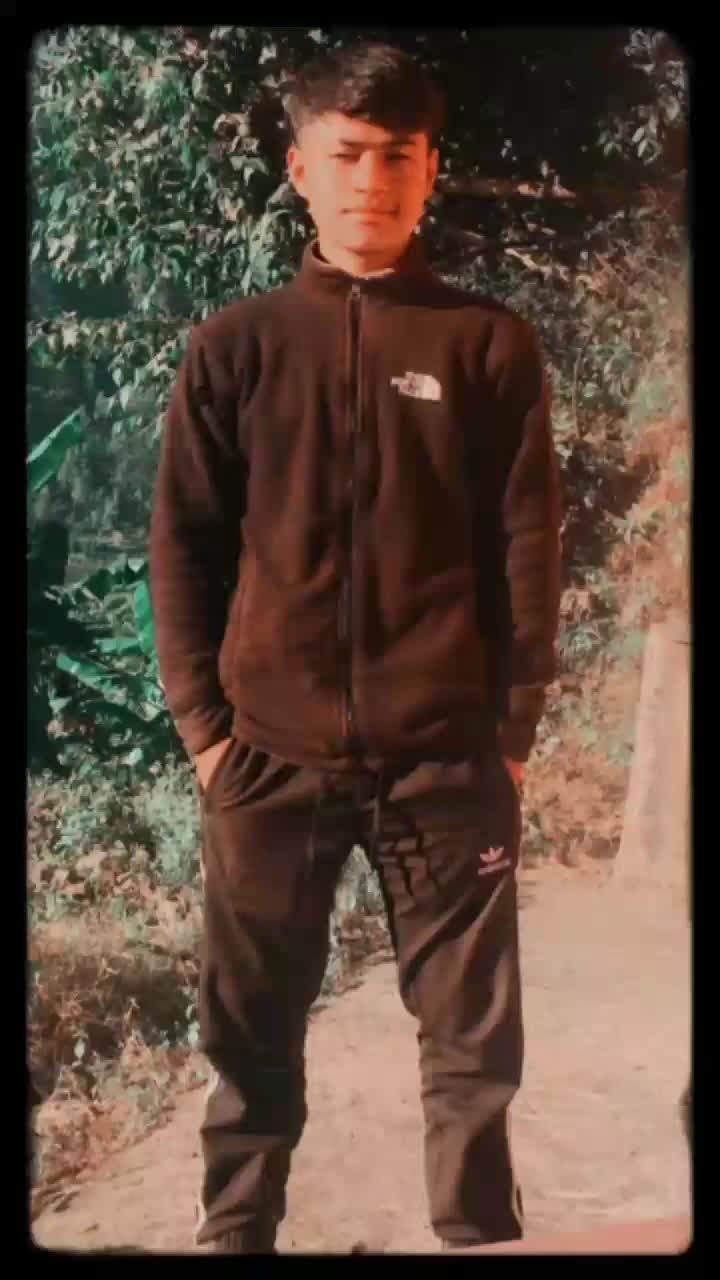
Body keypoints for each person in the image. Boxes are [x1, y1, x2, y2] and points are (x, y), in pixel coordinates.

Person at [149, 41, 562, 1254]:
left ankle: (476, 1230)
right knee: (249, 1034)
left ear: (429, 169)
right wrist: (207, 733)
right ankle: (236, 1229)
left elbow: (527, 550)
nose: (370, 181)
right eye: (345, 156)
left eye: (396, 156)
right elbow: (183, 548)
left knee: (474, 1044)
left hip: (447, 760)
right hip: (267, 758)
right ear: (300, 169)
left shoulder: (489, 344)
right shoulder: (236, 346)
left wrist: (510, 736)